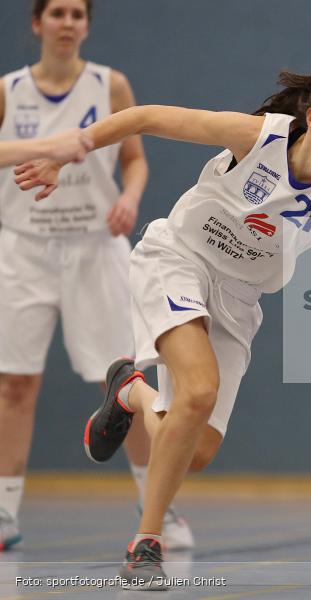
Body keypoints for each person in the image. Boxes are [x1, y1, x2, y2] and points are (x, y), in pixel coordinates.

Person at [16, 70, 311, 590]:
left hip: (239, 300)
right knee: (198, 390)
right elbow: (147, 117)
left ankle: (131, 391)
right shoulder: (258, 137)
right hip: (178, 261)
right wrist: (70, 151)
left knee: (193, 452)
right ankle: (146, 543)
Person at [0, 0, 193, 553]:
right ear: (37, 23)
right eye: (57, 13)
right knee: (14, 384)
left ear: (86, 26)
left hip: (96, 248)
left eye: (77, 14)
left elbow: (134, 158)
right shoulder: (9, 91)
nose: (67, 23)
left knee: (125, 380)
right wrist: (55, 147)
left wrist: (130, 197)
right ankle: (5, 512)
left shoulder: (110, 86)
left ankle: (158, 506)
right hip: (25, 249)